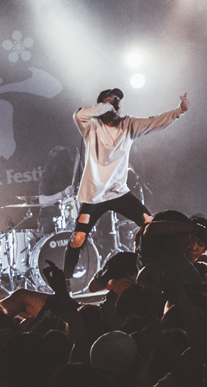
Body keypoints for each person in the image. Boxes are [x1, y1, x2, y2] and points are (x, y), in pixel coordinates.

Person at [62, 87, 189, 288]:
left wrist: (179, 110)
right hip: (94, 195)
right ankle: (65, 281)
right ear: (101, 104)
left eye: (117, 101)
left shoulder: (128, 125)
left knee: (150, 224)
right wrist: (105, 106)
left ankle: (163, 273)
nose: (115, 104)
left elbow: (155, 122)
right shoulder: (91, 126)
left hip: (119, 192)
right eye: (110, 100)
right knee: (78, 238)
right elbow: (79, 115)